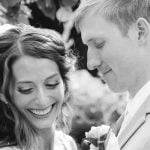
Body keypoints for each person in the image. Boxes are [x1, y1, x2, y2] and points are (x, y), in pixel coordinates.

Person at [73, 0, 150, 149]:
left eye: (99, 44)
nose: (91, 63)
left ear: (140, 32)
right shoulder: (132, 111)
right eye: (87, 47)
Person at [0, 23, 77, 150]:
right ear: (3, 94)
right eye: (26, 90)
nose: (42, 101)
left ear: (64, 82)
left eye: (51, 84)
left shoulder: (67, 143)